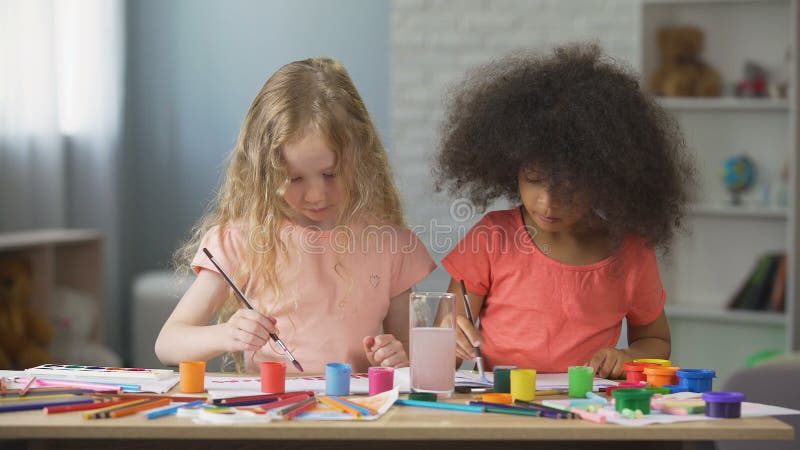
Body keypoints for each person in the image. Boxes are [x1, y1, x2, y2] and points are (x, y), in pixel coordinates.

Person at [155, 57, 436, 374]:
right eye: (295, 178)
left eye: (330, 174)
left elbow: (412, 356)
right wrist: (226, 334)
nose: (316, 194)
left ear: (361, 160)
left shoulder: (390, 245)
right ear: (265, 173)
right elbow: (168, 343)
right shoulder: (243, 240)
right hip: (272, 415)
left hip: (358, 415)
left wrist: (398, 356)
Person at [434, 44, 696, 379]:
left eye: (569, 189)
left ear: (605, 177)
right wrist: (447, 337)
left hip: (586, 415)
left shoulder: (630, 251)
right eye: (533, 180)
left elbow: (657, 341)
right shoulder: (491, 237)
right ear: (511, 167)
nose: (548, 202)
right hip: (502, 409)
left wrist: (627, 355)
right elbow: (445, 342)